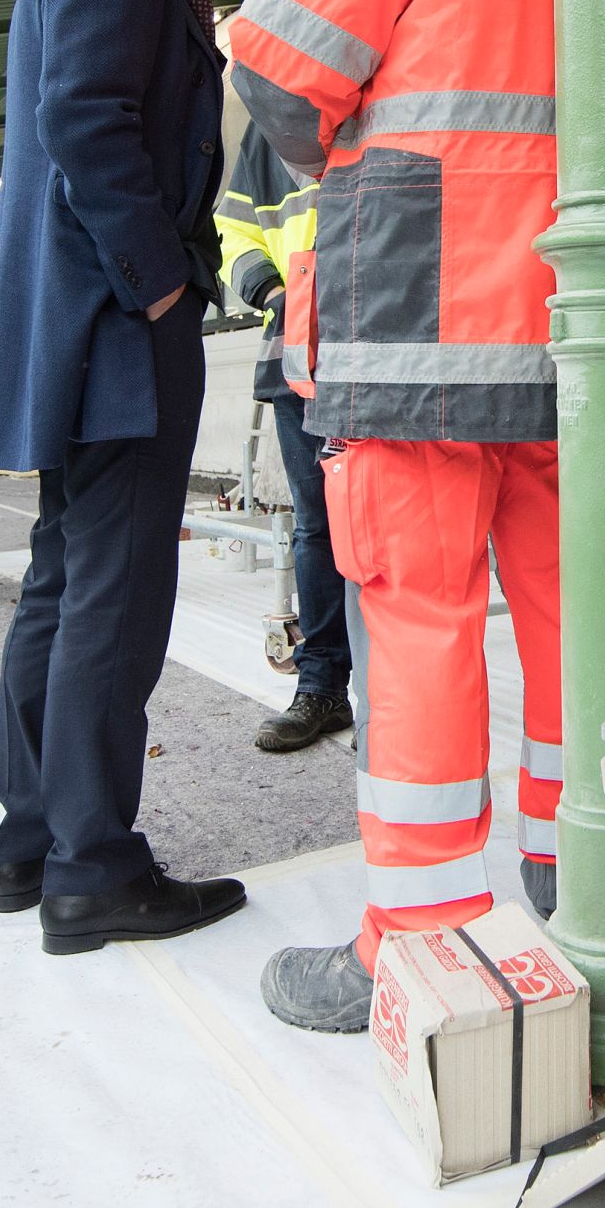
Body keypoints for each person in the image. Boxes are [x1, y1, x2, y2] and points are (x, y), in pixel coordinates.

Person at [232, 0, 605, 1031]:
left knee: (417, 615)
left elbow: (275, 68)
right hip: (584, 326)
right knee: (574, 615)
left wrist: (356, 153)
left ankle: (415, 945)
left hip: (416, 309)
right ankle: (576, 883)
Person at [0, 0, 247, 952]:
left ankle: (33, 840)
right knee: (114, 589)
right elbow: (86, 114)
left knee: (64, 575)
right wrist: (161, 281)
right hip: (118, 322)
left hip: (83, 323)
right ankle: (94, 864)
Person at [216, 118, 353, 749]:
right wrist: (274, 294)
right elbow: (234, 229)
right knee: (316, 528)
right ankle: (322, 686)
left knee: (392, 528)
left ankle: (392, 696)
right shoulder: (271, 127)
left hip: (388, 353)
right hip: (298, 356)